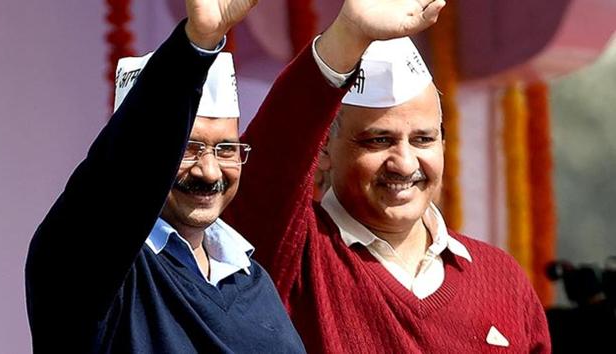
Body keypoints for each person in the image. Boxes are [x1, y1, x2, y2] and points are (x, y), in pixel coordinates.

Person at [223, 0, 552, 352]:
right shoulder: (296, 257)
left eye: (423, 139)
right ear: (322, 152)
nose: (405, 163)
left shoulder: (501, 278)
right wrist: (347, 35)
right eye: (379, 141)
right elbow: (271, 164)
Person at [24, 0, 306, 352]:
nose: (208, 171)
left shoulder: (250, 279)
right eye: (187, 149)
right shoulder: (86, 263)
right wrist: (196, 44)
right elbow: (122, 173)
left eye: (226, 149)